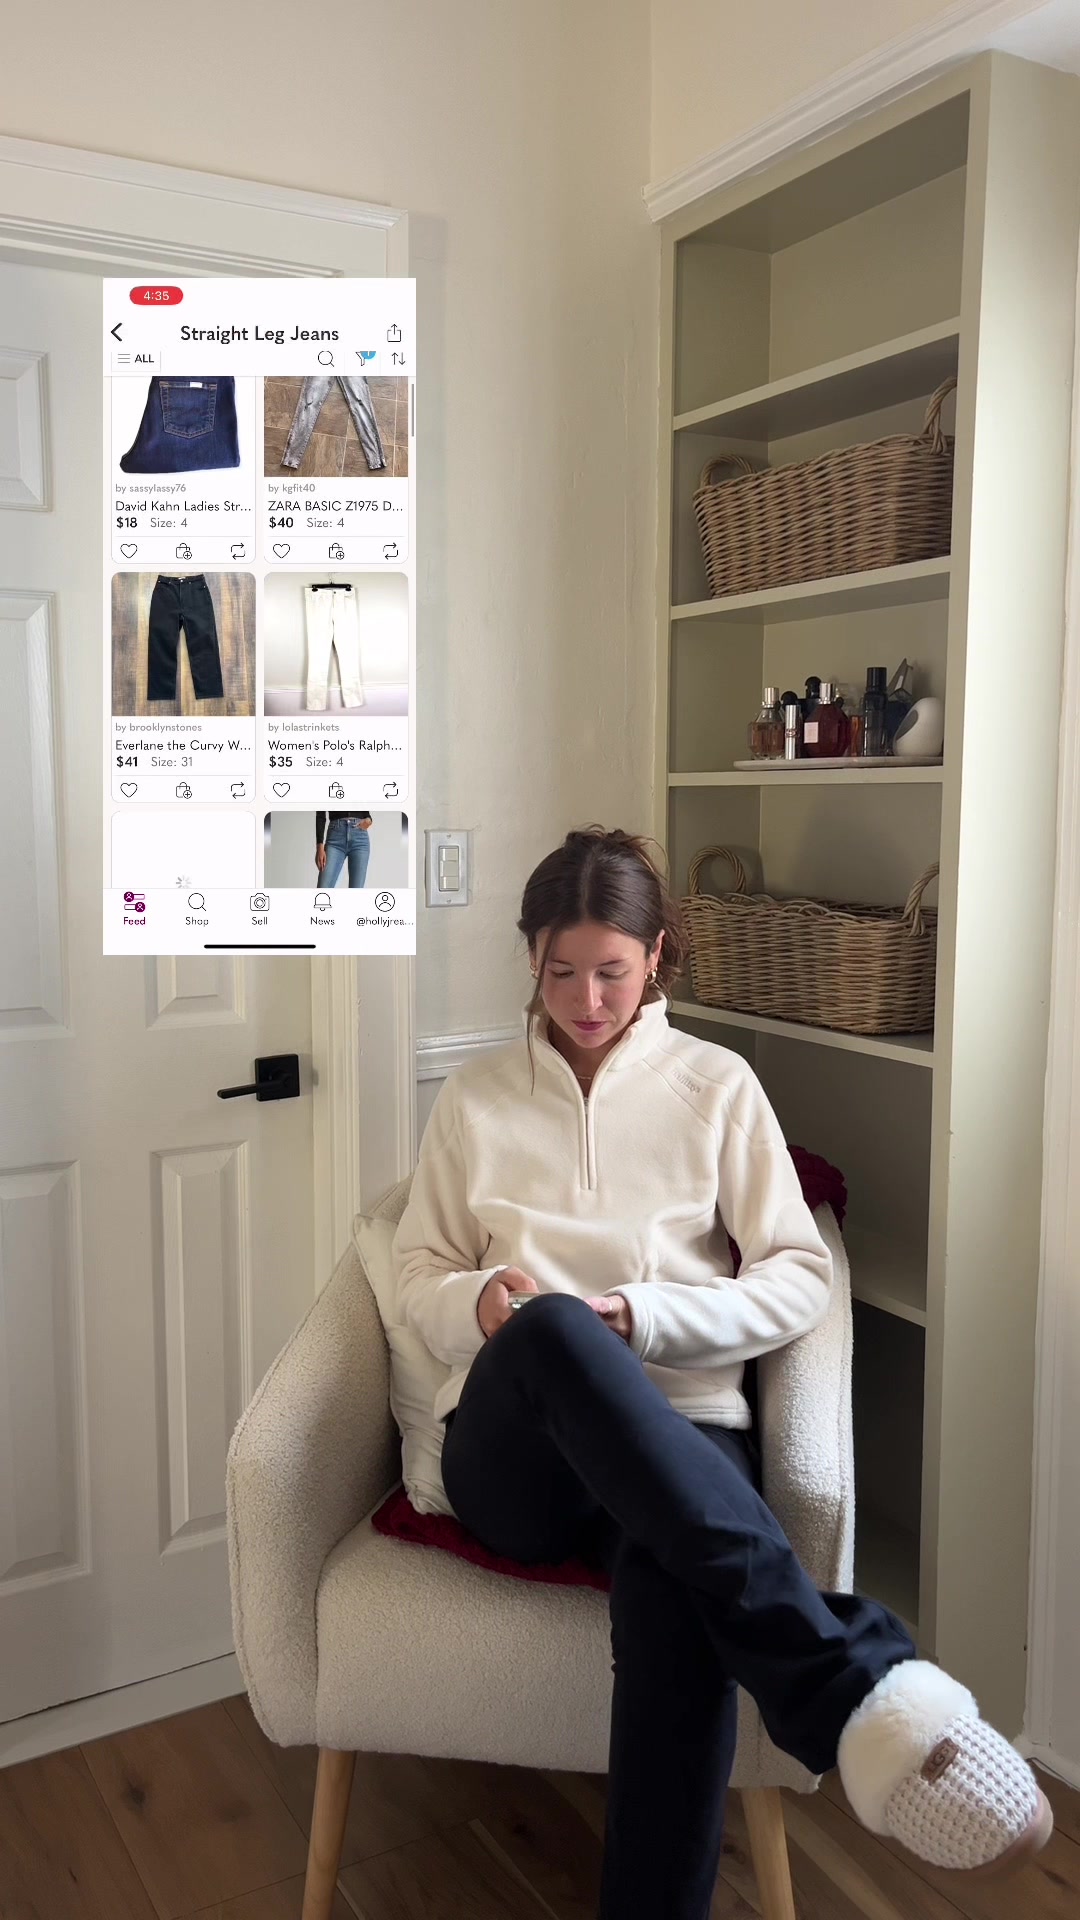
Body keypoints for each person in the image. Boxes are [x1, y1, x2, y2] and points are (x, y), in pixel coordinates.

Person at [392, 826, 1051, 1919]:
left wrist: (644, 1317)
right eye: (561, 972)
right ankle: (848, 1686)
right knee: (549, 1331)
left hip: (681, 1435)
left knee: (674, 1598)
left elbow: (799, 1274)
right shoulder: (474, 1100)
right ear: (531, 958)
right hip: (517, 1463)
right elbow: (416, 1270)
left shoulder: (718, 1085)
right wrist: (482, 1304)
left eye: (612, 971)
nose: (587, 1000)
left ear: (657, 955)